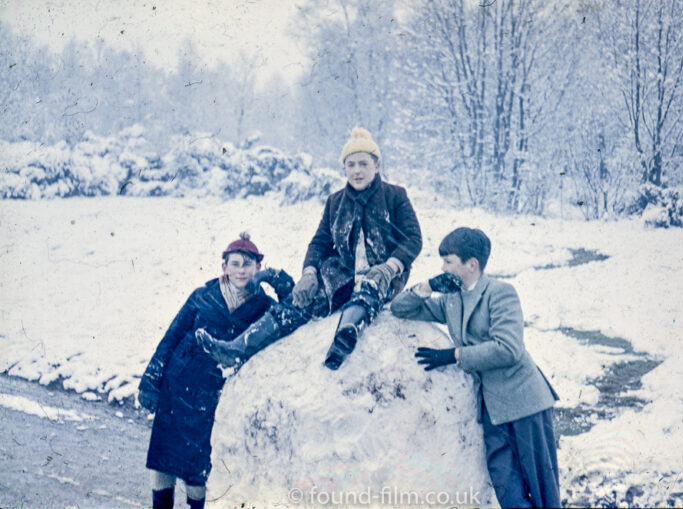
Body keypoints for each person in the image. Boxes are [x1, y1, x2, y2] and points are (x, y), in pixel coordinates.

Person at [196, 127, 422, 370]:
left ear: (376, 166)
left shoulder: (395, 196)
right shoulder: (335, 201)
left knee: (369, 292)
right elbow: (319, 242)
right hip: (342, 275)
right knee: (298, 302)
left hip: (383, 275)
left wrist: (390, 267)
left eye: (363, 164)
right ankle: (238, 349)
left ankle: (342, 344)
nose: (357, 171)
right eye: (351, 165)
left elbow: (413, 238)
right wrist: (309, 273)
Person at [390, 227, 561, 508]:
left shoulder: (500, 293)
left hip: (524, 402)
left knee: (542, 489)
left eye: (448, 261)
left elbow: (508, 349)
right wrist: (428, 287)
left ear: (472, 265)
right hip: (491, 409)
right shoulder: (451, 299)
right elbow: (401, 308)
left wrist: (454, 355)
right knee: (507, 485)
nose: (443, 267)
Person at [137, 233, 294, 509]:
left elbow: (292, 310)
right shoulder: (201, 296)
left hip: (212, 393)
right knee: (163, 460)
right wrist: (151, 381)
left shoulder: (264, 307)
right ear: (224, 267)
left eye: (248, 264)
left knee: (197, 469)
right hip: (178, 383)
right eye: (235, 264)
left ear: (258, 267)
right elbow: (171, 337)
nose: (241, 270)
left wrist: (277, 279)